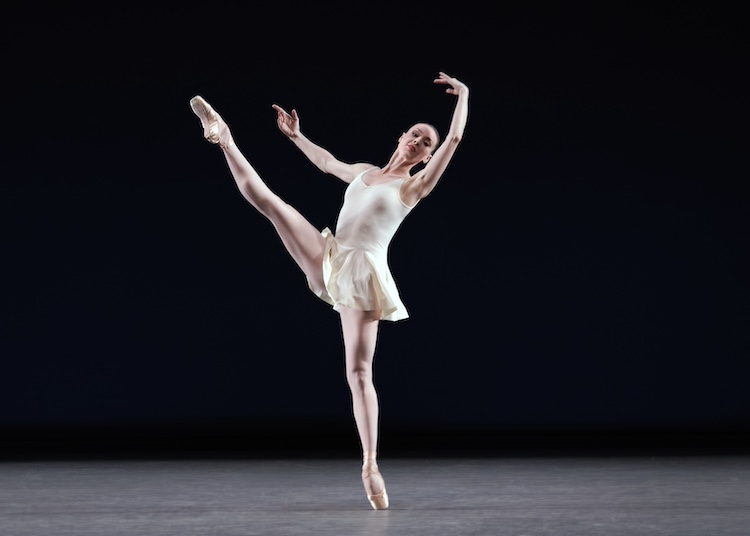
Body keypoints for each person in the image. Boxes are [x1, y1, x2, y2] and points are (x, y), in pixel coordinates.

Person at [189, 72, 469, 509]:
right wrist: (297, 137)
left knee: (358, 374)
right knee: (272, 204)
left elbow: (454, 139)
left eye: (426, 143)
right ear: (401, 137)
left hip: (363, 274)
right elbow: (326, 162)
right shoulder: (365, 174)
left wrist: (464, 96)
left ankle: (370, 463)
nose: (419, 141)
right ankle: (222, 136)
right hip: (331, 256)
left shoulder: (413, 186)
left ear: (426, 156)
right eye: (415, 133)